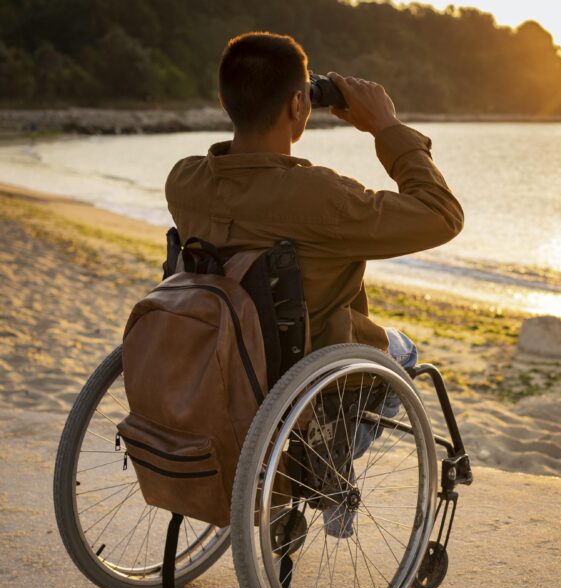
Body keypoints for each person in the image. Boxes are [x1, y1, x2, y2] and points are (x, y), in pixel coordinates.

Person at [165, 32, 464, 537]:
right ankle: (330, 481)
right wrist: (385, 127)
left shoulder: (185, 181)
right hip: (301, 377)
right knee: (406, 353)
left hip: (213, 367)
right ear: (301, 103)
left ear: (223, 101)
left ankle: (299, 489)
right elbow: (442, 215)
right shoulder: (319, 198)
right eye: (303, 95)